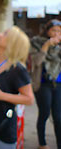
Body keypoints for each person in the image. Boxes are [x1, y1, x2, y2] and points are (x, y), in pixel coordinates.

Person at [30, 19, 61, 149]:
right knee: (44, 113)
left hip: (58, 83)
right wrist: (47, 45)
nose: (56, 33)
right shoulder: (36, 42)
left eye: (59, 31)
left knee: (59, 117)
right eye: (54, 30)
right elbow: (36, 61)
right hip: (43, 83)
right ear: (47, 31)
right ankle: (42, 143)